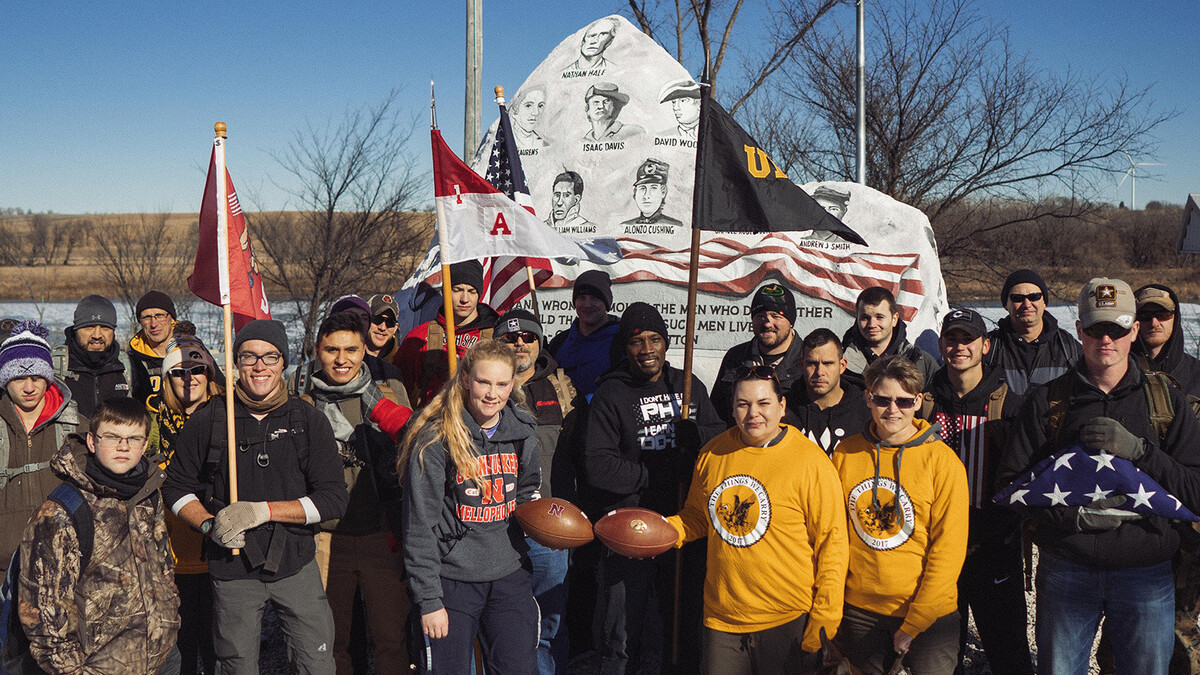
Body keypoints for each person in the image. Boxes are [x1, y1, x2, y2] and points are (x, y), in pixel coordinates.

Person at [998, 278, 1200, 675]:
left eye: (1118, 328)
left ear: (1134, 331)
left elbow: (1196, 489)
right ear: (1079, 330)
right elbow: (1014, 485)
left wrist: (1142, 453)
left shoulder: (1168, 402)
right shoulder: (1048, 401)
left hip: (1147, 574)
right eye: (1095, 329)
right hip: (1067, 570)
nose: (1106, 339)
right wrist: (1067, 517)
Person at [162, 319, 348, 675]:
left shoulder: (308, 421)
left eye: (270, 356)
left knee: (316, 662)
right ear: (235, 363)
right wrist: (207, 525)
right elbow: (175, 487)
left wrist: (262, 512)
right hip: (232, 568)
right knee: (237, 665)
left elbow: (332, 500)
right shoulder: (210, 421)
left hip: (296, 562)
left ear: (284, 362)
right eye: (249, 357)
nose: (259, 366)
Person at [667, 365, 848, 674]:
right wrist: (660, 531)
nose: (754, 413)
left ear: (781, 406)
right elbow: (697, 517)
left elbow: (832, 544)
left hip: (786, 617)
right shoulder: (714, 453)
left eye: (763, 403)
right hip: (722, 617)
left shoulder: (811, 462)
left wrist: (826, 616)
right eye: (743, 404)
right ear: (732, 409)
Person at [582, 301, 725, 674]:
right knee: (623, 632)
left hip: (684, 523)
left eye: (655, 338)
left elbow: (721, 438)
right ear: (624, 348)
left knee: (679, 624)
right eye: (637, 342)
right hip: (633, 528)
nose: (647, 349)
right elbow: (598, 467)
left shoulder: (688, 384)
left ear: (666, 341)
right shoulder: (611, 395)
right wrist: (656, 473)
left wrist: (698, 436)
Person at [400, 339, 542, 674]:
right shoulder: (437, 438)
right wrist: (429, 600)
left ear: (513, 385)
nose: (492, 393)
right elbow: (419, 526)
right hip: (453, 580)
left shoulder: (522, 431)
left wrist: (544, 520)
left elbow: (527, 492)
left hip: (509, 576)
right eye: (484, 382)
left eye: (502, 384)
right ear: (466, 379)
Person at [17, 397, 181, 675]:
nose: (123, 446)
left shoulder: (149, 494)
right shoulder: (61, 512)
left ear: (144, 446)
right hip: (100, 666)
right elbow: (43, 614)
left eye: (133, 438)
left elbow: (163, 568)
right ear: (92, 442)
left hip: (162, 658)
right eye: (112, 436)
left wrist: (170, 622)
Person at [832, 356, 968, 675]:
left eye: (904, 401)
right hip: (860, 611)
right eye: (882, 399)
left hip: (929, 613)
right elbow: (833, 535)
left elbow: (947, 552)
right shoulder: (845, 454)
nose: (893, 409)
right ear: (868, 398)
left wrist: (915, 621)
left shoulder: (943, 463)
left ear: (918, 401)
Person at [920, 309, 1032, 675]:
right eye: (951, 338)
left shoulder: (1011, 405)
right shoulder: (924, 404)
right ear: (941, 345)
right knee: (940, 659)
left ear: (985, 345)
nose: (959, 346)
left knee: (1008, 654)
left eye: (967, 339)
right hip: (936, 551)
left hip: (993, 550)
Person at [303, 312, 413, 674]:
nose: (341, 359)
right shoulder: (301, 395)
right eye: (331, 350)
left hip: (381, 533)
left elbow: (415, 452)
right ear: (317, 351)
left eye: (351, 349)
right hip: (325, 537)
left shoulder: (389, 391)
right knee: (331, 640)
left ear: (365, 349)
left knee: (390, 639)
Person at [495, 308, 581, 674]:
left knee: (548, 624)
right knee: (502, 624)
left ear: (539, 341)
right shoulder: (484, 386)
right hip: (496, 528)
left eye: (527, 337)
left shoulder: (562, 388)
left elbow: (584, 454)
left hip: (549, 529)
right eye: (509, 338)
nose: (519, 343)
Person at [149, 334, 224, 675]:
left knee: (217, 650)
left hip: (216, 556)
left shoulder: (227, 422)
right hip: (170, 559)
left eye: (198, 369)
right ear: (167, 379)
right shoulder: (152, 425)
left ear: (210, 375)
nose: (189, 378)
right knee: (179, 654)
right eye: (179, 372)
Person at [0, 320, 83, 564]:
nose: (29, 388)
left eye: (37, 377)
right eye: (19, 379)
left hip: (61, 563)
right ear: (5, 381)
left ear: (48, 378)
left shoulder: (77, 426)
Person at [395, 260, 499, 408]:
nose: (464, 299)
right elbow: (399, 391)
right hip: (431, 423)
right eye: (457, 290)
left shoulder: (496, 337)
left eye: (471, 291)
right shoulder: (419, 337)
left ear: (479, 294)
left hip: (479, 425)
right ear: (445, 291)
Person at [711, 283, 805, 428]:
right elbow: (717, 415)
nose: (767, 323)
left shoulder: (808, 360)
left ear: (790, 321)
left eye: (775, 316)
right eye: (760, 316)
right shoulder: (735, 357)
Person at [984, 269, 1081, 396]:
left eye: (1034, 297)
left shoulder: (1069, 348)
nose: (1027, 304)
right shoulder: (988, 348)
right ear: (1006, 304)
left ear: (1044, 302)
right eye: (1017, 298)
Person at [788, 328, 871, 455]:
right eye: (812, 363)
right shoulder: (783, 411)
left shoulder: (867, 411)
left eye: (828, 363)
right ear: (801, 365)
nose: (819, 372)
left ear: (842, 366)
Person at [842, 286, 938, 389]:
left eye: (879, 317)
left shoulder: (921, 362)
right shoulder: (839, 362)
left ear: (894, 319)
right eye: (865, 318)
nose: (872, 324)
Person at [52, 294, 131, 417]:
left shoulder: (127, 366)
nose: (97, 335)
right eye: (89, 327)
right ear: (76, 329)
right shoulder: (54, 365)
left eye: (105, 327)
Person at [548, 269, 620, 400]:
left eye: (594, 298)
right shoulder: (559, 343)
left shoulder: (621, 340)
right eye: (582, 298)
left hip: (607, 418)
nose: (587, 304)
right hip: (567, 419)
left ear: (607, 303)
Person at [1133, 284, 1200, 396]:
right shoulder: (1118, 375)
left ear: (1175, 318)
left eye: (1163, 315)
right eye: (1144, 315)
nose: (1154, 323)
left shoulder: (1196, 374)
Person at [128, 290, 178, 407]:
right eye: (146, 317)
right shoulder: (132, 362)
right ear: (140, 323)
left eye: (159, 316)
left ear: (172, 319)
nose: (154, 324)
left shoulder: (191, 352)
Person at [620, 158, 682, 226]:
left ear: (663, 192)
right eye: (642, 188)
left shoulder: (675, 226)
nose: (646, 196)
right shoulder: (625, 225)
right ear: (635, 192)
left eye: (653, 188)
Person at [366, 292, 401, 361]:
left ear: (395, 328)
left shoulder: (400, 360)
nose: (382, 328)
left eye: (389, 322)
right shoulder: (350, 357)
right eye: (377, 319)